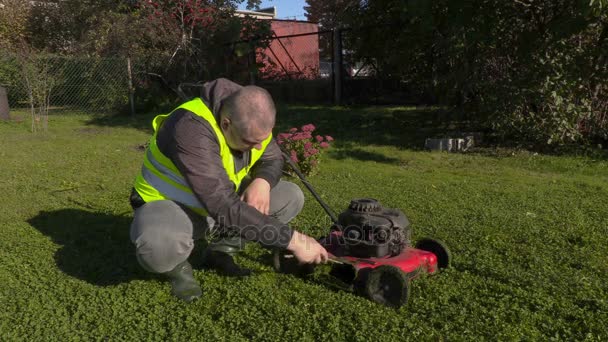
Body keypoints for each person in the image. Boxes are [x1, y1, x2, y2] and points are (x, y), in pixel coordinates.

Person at [128, 78, 328, 302]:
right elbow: (222, 205)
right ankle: (177, 269)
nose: (259, 146)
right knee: (157, 246)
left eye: (262, 139)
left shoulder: (252, 117)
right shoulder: (190, 128)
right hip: (171, 206)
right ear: (226, 124)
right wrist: (293, 241)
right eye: (251, 141)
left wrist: (262, 181)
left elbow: (272, 158)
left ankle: (221, 251)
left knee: (290, 196)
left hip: (218, 206)